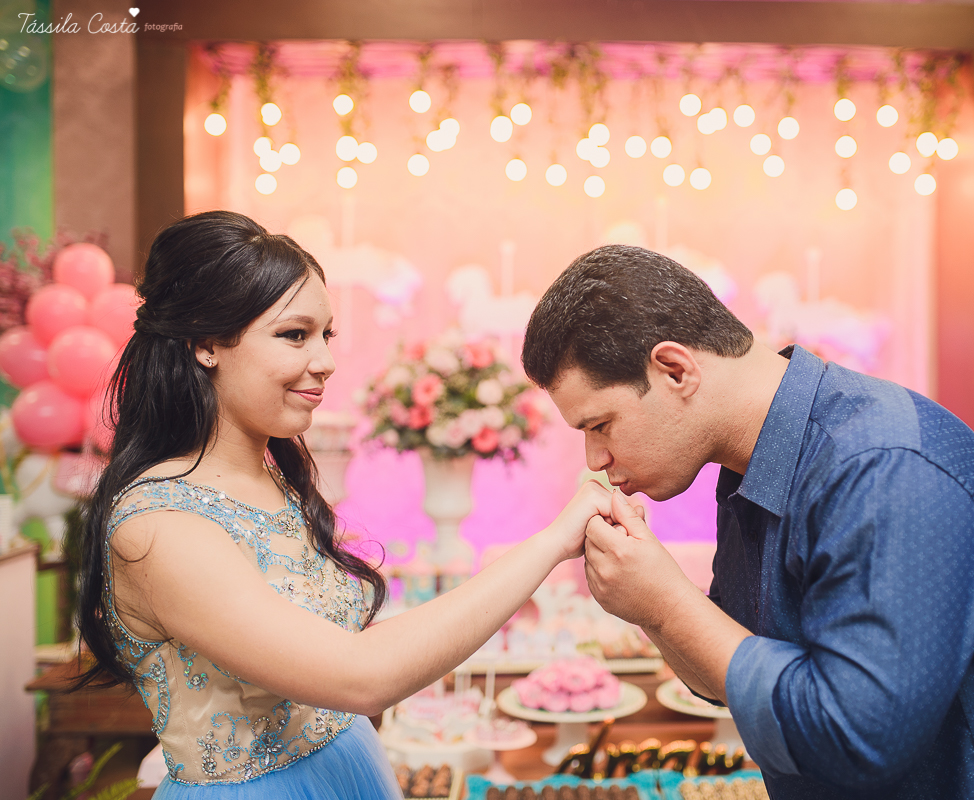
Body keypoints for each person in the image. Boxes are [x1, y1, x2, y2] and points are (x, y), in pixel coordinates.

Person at [521, 245, 974, 799]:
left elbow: (858, 736)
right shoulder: (753, 460)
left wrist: (664, 604)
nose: (596, 461)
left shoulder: (881, 463)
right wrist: (645, 599)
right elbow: (726, 673)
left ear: (675, 370)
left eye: (600, 427)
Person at [75, 211, 611, 798]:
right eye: (294, 334)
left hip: (347, 765)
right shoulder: (161, 525)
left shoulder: (273, 481)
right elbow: (362, 676)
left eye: (327, 334)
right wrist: (552, 543)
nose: (326, 360)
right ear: (206, 344)